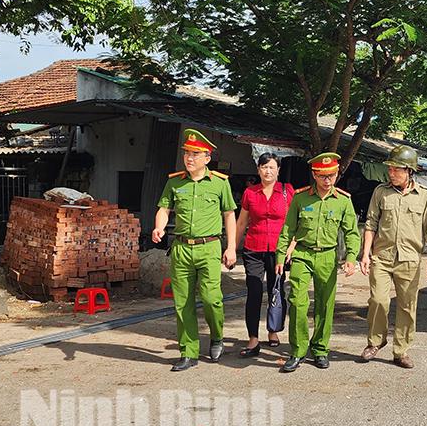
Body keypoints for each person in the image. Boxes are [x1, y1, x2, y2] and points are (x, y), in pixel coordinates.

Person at [152, 129, 237, 372]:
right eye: (187, 153)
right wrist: (159, 227)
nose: (189, 158)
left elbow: (229, 215)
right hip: (181, 249)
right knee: (182, 303)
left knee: (212, 299)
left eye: (195, 154)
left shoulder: (220, 183)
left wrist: (231, 247)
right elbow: (164, 209)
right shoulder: (174, 182)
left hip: (209, 247)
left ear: (207, 158)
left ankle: (217, 336)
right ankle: (187, 352)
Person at [275, 152, 360, 372]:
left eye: (331, 175)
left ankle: (320, 348)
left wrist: (351, 258)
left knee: (325, 303)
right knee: (298, 302)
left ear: (336, 174)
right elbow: (287, 229)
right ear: (314, 174)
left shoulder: (343, 201)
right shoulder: (301, 198)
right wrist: (280, 256)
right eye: (322, 175)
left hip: (327, 256)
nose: (327, 180)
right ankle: (298, 350)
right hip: (302, 255)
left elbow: (351, 232)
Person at [359, 145, 427, 369]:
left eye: (396, 169)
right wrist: (365, 254)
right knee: (378, 301)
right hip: (382, 257)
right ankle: (376, 341)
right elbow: (371, 224)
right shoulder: (380, 192)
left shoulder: (423, 196)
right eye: (390, 169)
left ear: (409, 171)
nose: (391, 173)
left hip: (409, 260)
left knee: (407, 306)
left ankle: (401, 351)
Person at [235, 153, 295, 356]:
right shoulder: (250, 193)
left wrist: (291, 247)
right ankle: (253, 338)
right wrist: (231, 248)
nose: (268, 171)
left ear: (278, 170)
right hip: (253, 249)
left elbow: (296, 222)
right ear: (258, 170)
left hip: (278, 251)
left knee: (276, 290)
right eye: (264, 167)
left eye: (272, 167)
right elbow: (242, 222)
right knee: (253, 292)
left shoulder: (287, 191)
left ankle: (273, 330)